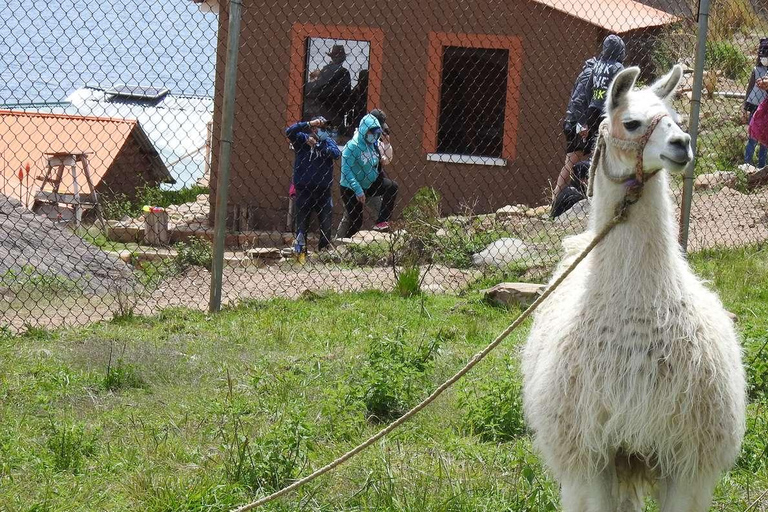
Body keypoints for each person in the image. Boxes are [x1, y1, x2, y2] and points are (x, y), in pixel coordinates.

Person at [284, 116, 340, 254]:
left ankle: (324, 252)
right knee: (302, 224)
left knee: (326, 224)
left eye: (325, 129)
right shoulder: (301, 139)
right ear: (314, 129)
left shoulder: (328, 143)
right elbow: (289, 131)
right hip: (304, 190)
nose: (324, 131)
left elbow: (336, 154)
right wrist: (308, 123)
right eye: (321, 128)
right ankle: (300, 251)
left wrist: (318, 145)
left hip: (323, 191)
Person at [339, 113, 399, 237]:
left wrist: (385, 149)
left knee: (392, 186)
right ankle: (342, 243)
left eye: (377, 133)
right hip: (351, 187)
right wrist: (358, 190)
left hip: (370, 183)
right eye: (372, 133)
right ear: (364, 130)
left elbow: (386, 159)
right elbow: (346, 171)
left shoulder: (374, 143)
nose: (375, 136)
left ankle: (381, 222)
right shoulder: (352, 146)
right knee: (355, 220)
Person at [553, 57, 596, 200]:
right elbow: (578, 101)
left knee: (575, 162)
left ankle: (562, 196)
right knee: (572, 163)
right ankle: (556, 197)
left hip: (575, 122)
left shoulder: (588, 72)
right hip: (576, 124)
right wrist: (583, 124)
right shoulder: (590, 73)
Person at [584, 35, 626, 153]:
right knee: (609, 147)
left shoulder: (597, 65)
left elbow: (588, 88)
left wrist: (590, 104)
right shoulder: (618, 67)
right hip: (607, 113)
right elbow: (622, 90)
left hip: (593, 110)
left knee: (596, 144)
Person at [303, 44, 352, 129]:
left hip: (320, 110)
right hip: (335, 113)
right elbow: (346, 95)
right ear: (344, 58)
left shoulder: (324, 70)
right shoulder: (343, 72)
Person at [743, 38, 768, 169]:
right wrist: (744, 105)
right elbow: (750, 87)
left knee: (765, 140)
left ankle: (762, 166)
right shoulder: (756, 69)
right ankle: (747, 163)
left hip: (765, 108)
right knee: (753, 136)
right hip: (754, 105)